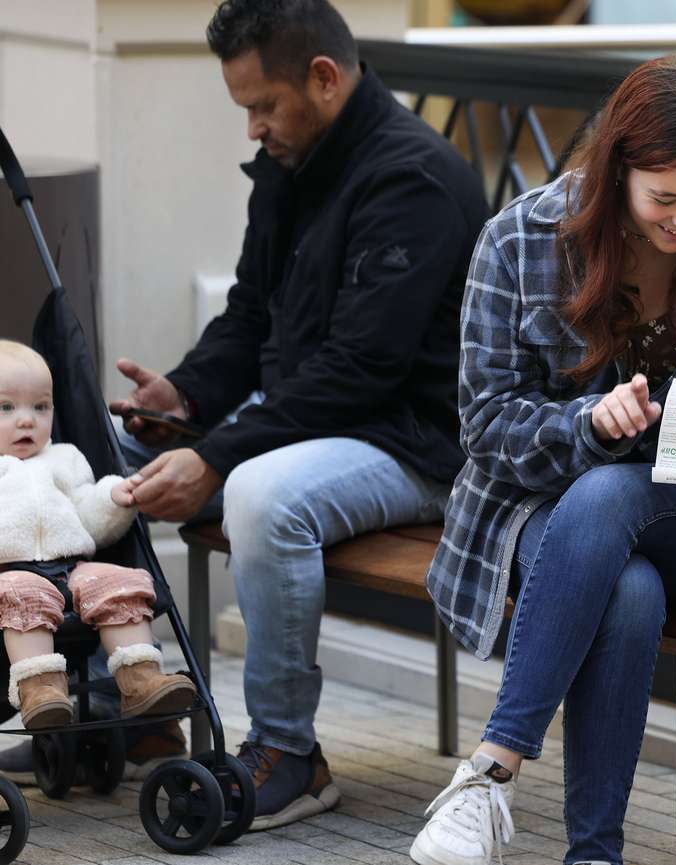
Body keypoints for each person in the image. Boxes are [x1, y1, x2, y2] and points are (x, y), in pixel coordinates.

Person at [80, 0, 482, 830]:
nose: (254, 127)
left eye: (262, 106)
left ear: (324, 79)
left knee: (263, 492)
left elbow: (365, 368)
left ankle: (289, 753)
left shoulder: (415, 179)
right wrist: (184, 400)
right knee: (92, 451)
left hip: (410, 440)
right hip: (313, 419)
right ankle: (124, 699)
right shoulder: (290, 165)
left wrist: (219, 455)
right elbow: (252, 317)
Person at [412, 53, 676, 865]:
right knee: (626, 585)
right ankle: (595, 853)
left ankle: (490, 772)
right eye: (665, 199)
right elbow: (485, 425)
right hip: (534, 509)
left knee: (610, 502)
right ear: (616, 165)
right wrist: (588, 424)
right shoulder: (519, 240)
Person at [0, 341, 196, 730]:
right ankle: (40, 689)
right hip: (10, 570)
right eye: (6, 408)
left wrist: (113, 498)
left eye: (40, 407)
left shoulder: (65, 457)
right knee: (22, 596)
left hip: (72, 565)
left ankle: (141, 679)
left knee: (117, 582)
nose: (27, 421)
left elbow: (89, 515)